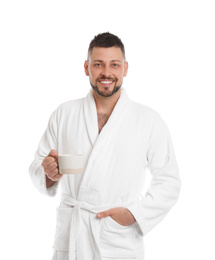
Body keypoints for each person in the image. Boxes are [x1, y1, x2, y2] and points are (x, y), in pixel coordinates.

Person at [29, 32, 181, 260]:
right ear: (86, 67)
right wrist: (49, 174)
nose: (106, 73)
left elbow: (169, 181)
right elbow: (37, 165)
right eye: (98, 64)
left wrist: (133, 214)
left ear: (125, 69)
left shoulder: (148, 120)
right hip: (73, 236)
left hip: (117, 240)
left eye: (114, 65)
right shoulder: (65, 113)